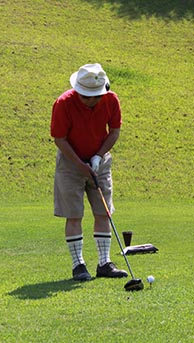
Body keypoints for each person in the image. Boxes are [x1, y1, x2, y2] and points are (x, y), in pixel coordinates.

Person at [50, 63, 128, 281]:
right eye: (86, 96)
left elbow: (114, 131)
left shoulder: (111, 100)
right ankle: (78, 266)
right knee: (74, 214)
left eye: (95, 96)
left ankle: (104, 263)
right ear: (77, 90)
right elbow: (60, 139)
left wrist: (98, 156)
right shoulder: (63, 103)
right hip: (69, 164)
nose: (91, 100)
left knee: (103, 212)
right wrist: (80, 164)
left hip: (99, 163)